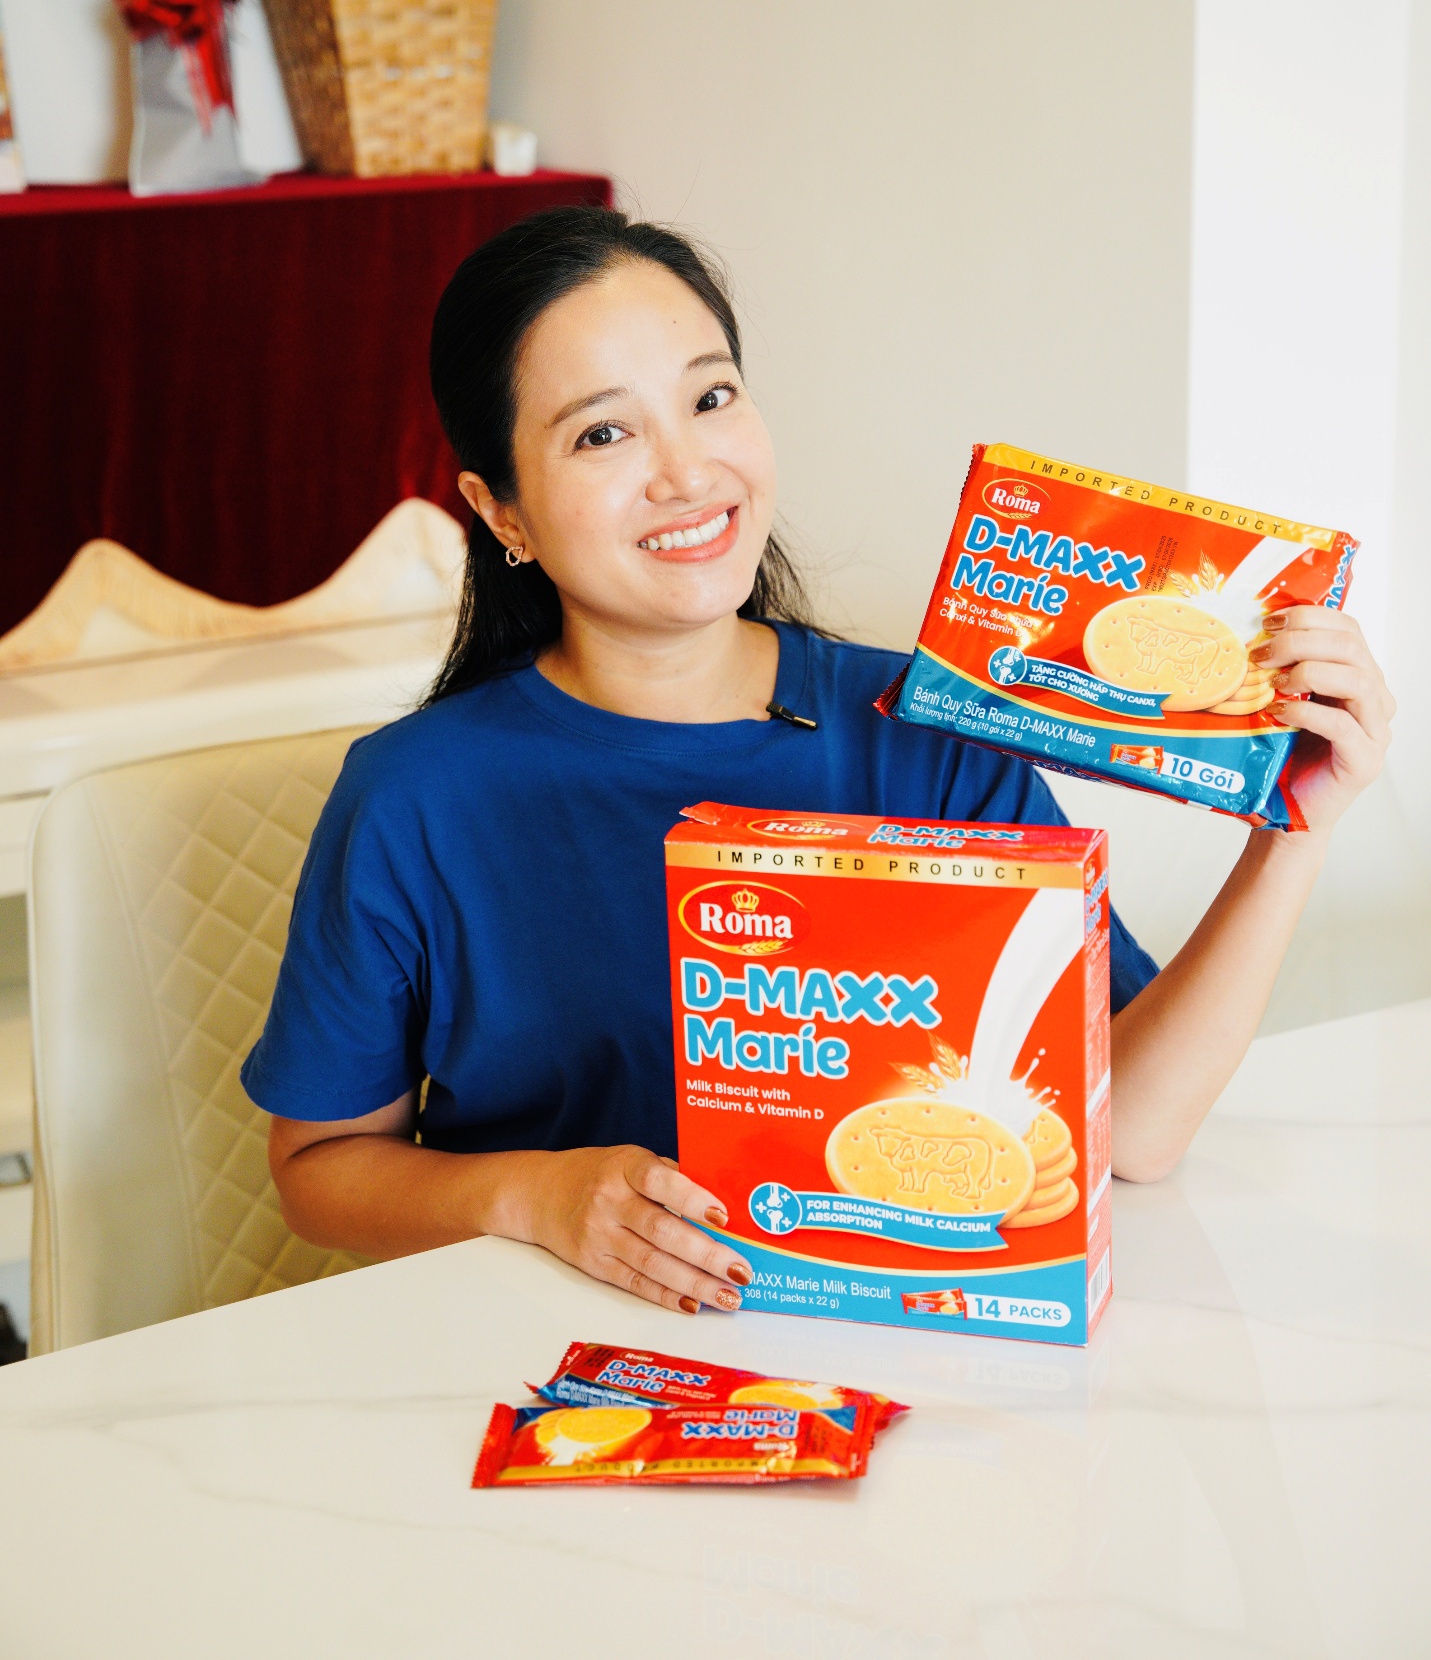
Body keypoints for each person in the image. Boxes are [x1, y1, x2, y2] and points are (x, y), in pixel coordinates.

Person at [241, 208, 1394, 1315]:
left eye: (710, 397)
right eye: (603, 433)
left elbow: (1131, 1133)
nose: (687, 473)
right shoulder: (413, 797)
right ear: (503, 512)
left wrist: (1294, 828)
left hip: (898, 1356)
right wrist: (534, 1197)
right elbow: (320, 1170)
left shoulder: (930, 726)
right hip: (549, 1366)